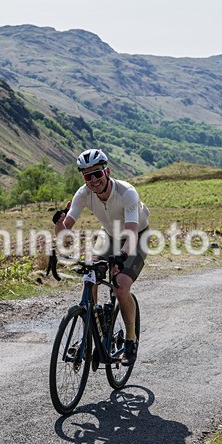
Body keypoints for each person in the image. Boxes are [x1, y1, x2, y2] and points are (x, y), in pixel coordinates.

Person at [54, 149, 150, 366]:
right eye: (88, 176)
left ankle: (131, 339)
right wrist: (59, 224)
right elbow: (64, 232)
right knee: (90, 276)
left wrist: (121, 257)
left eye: (97, 173)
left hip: (136, 236)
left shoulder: (127, 193)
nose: (94, 180)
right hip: (109, 235)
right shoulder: (83, 194)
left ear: (107, 171)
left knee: (121, 287)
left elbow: (132, 234)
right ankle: (90, 334)